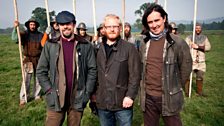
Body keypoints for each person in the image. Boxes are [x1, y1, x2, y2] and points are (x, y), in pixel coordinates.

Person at [36, 11, 97, 126]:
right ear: (58, 26)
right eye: (62, 24)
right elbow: (41, 71)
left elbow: (92, 70)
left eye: (68, 23)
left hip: (77, 98)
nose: (65, 27)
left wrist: (87, 92)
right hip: (56, 97)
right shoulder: (50, 45)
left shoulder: (85, 45)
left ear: (74, 24)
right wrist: (49, 90)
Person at [140, 4, 192, 126]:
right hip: (148, 98)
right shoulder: (144, 42)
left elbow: (186, 67)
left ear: (164, 18)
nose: (154, 25)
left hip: (169, 97)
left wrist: (174, 86)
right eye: (150, 22)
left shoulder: (177, 42)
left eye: (157, 20)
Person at [95, 14, 141, 126]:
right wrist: (93, 94)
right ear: (104, 29)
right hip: (103, 102)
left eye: (115, 26)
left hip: (122, 103)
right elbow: (94, 73)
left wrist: (130, 96)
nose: (112, 29)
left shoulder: (129, 48)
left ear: (120, 28)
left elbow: (135, 75)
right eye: (108, 26)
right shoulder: (96, 49)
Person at [12, 18, 43, 106]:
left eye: (34, 25)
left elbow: (45, 44)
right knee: (26, 80)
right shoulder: (25, 34)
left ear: (36, 25)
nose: (32, 26)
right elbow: (15, 39)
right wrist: (15, 28)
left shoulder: (40, 35)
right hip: (28, 60)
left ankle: (37, 95)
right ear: (28, 25)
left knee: (38, 79)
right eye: (31, 24)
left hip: (38, 59)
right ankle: (23, 97)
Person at [185, 23, 211, 97]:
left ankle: (199, 93)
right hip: (191, 61)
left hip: (201, 61)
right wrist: (190, 45)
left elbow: (208, 47)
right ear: (194, 29)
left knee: (200, 76)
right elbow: (184, 47)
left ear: (201, 29)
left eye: (199, 28)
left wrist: (198, 46)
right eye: (196, 28)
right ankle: (187, 93)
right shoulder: (189, 38)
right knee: (188, 77)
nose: (198, 29)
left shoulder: (204, 38)